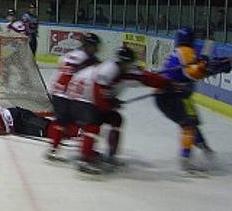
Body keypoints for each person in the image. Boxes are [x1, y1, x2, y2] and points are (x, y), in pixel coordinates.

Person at [65, 47, 172, 175]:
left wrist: (166, 83)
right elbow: (98, 95)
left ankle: (110, 156)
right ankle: (85, 160)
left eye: (126, 63)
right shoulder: (108, 70)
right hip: (80, 100)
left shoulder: (122, 69)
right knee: (92, 126)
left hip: (85, 99)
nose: (124, 66)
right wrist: (110, 104)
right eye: (122, 63)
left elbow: (145, 77)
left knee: (116, 119)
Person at [155, 27, 232, 175]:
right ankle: (187, 161)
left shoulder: (180, 52)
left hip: (174, 96)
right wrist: (214, 67)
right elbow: (194, 73)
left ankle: (205, 150)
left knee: (192, 122)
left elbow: (196, 67)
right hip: (171, 96)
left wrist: (213, 66)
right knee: (188, 124)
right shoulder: (185, 51)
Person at [45, 32, 102, 162]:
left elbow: (61, 69)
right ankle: (86, 154)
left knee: (62, 122)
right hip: (67, 95)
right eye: (94, 46)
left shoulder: (69, 55)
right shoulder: (88, 60)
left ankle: (53, 150)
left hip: (57, 92)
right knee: (89, 123)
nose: (96, 49)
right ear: (88, 45)